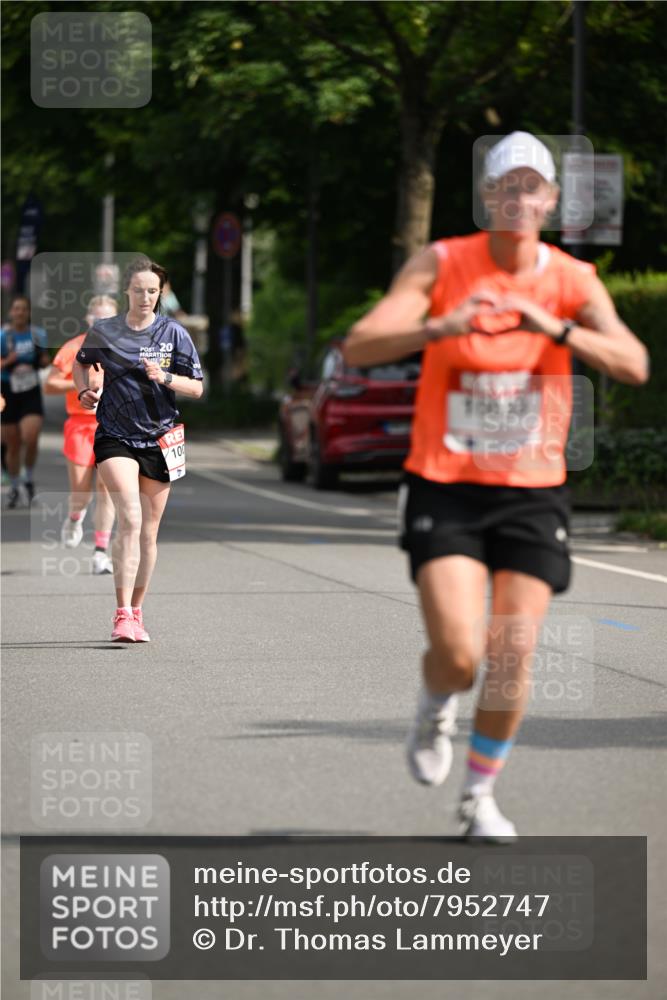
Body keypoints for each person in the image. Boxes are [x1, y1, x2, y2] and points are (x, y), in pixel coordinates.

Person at [344, 132, 648, 841]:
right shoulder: (443, 262)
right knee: (459, 652)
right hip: (445, 481)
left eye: (530, 186)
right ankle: (434, 702)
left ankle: (478, 797)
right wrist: (438, 325)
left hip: (531, 488)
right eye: (504, 186)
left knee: (512, 653)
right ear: (486, 198)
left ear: (548, 200)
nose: (517, 198)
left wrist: (558, 331)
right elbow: (360, 343)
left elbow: (632, 362)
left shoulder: (571, 280)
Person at [72, 256, 204, 642]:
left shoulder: (174, 333)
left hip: (162, 438)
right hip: (114, 432)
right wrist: (85, 389)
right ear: (125, 291)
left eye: (152, 291)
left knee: (149, 533)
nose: (145, 296)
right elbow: (83, 363)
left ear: (160, 293)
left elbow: (196, 388)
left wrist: (165, 376)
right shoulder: (106, 330)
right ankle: (121, 613)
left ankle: (137, 611)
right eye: (138, 290)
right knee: (128, 517)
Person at [44, 295, 118, 574]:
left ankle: (100, 552)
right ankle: (75, 517)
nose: (101, 323)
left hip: (111, 425)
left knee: (107, 489)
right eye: (96, 318)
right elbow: (49, 384)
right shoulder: (74, 347)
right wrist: (80, 385)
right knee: (81, 492)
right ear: (89, 319)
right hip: (79, 425)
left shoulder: (122, 347)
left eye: (107, 318)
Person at [0, 295, 50, 507]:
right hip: (8, 391)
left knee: (30, 437)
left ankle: (28, 479)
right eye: (16, 309)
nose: (20, 312)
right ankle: (14, 485)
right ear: (11, 312)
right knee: (12, 444)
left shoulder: (38, 334)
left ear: (28, 313)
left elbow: (43, 358)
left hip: (30, 390)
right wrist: (7, 361)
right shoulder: (3, 336)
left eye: (24, 309)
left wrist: (44, 360)